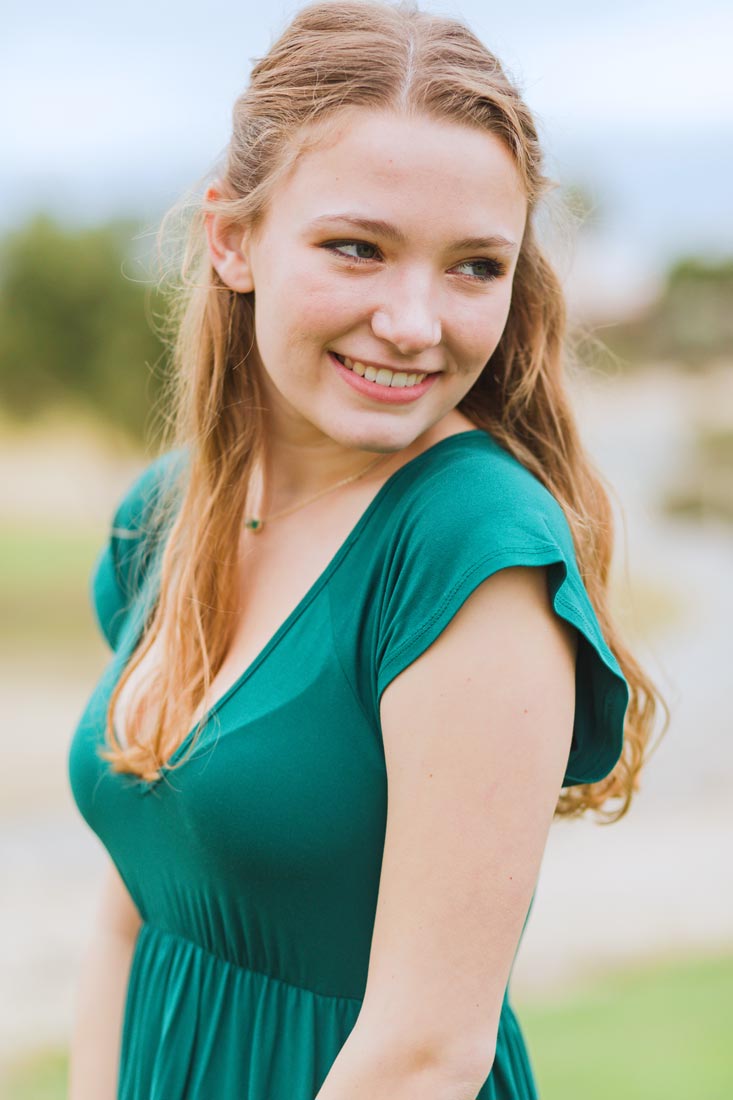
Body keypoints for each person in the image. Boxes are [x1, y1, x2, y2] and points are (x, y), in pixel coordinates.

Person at [67, 1, 662, 1097]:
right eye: (358, 247)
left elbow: (425, 1056)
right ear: (232, 238)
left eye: (474, 266)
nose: (414, 320)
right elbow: (130, 908)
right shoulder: (166, 513)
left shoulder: (472, 549)